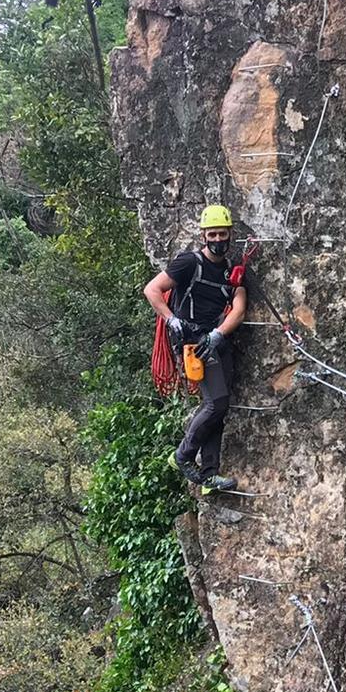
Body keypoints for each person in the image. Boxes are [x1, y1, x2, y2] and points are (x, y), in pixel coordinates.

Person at [142, 204, 248, 493]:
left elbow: (238, 309)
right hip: (191, 340)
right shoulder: (189, 263)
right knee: (216, 403)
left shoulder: (231, 272)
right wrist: (171, 319)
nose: (217, 240)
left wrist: (218, 334)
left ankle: (209, 475)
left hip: (214, 338)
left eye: (222, 234)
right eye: (212, 234)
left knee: (218, 406)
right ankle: (183, 455)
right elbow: (152, 289)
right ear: (204, 236)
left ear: (229, 235)